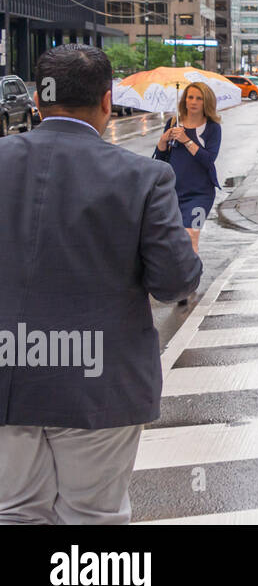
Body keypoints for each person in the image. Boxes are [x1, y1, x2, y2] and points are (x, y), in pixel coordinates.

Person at [0, 45, 201, 524]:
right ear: (107, 103)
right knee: (94, 514)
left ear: (36, 101)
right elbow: (174, 282)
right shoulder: (143, 177)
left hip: (8, 370)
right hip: (97, 377)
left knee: (14, 511)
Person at [154, 81, 222, 257]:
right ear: (184, 100)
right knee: (173, 239)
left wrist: (186, 139)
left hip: (201, 195)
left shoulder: (212, 128)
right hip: (173, 193)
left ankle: (190, 279)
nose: (193, 102)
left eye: (199, 98)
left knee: (191, 235)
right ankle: (177, 275)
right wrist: (162, 141)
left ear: (206, 102)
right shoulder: (173, 122)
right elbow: (161, 160)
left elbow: (209, 160)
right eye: (190, 97)